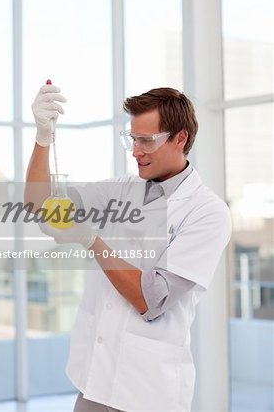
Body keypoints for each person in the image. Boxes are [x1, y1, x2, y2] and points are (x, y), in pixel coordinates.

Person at [25, 84, 231, 412]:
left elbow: (151, 298)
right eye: (133, 139)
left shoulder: (207, 211)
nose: (136, 151)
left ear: (181, 138)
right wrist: (42, 138)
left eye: (147, 140)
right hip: (94, 381)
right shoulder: (122, 188)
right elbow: (38, 206)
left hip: (148, 392)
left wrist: (91, 239)